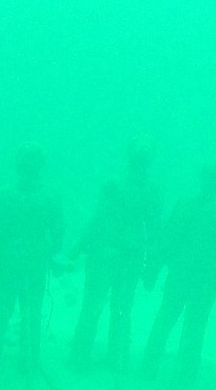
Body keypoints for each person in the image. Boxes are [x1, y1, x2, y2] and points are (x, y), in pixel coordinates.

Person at [140, 163, 216, 383]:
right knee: (188, 327)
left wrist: (153, 269)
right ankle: (182, 377)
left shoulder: (187, 205)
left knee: (169, 322)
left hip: (187, 276)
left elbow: (165, 241)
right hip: (198, 278)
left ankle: (151, 370)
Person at [70, 139, 163, 373]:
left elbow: (96, 220)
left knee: (93, 307)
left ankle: (79, 358)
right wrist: (151, 264)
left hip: (105, 256)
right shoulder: (153, 190)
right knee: (120, 310)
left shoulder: (115, 185)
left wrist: (77, 249)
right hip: (128, 258)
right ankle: (115, 360)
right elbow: (154, 232)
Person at [0, 142, 64, 379]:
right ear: (41, 166)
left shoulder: (4, 193)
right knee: (32, 313)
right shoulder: (50, 195)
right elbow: (58, 233)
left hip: (6, 264)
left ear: (18, 165)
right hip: (34, 265)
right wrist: (47, 253)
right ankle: (28, 363)